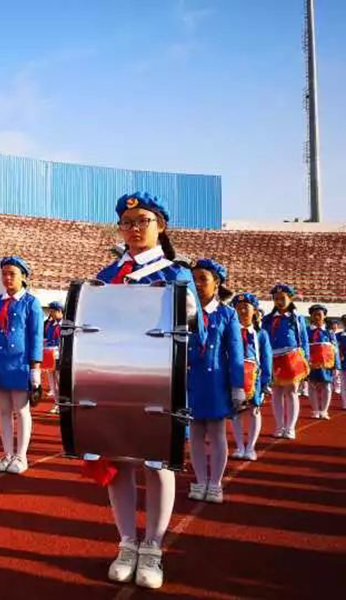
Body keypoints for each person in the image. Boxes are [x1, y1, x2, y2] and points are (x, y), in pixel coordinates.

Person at [95, 192, 205, 590]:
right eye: (128, 223)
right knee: (120, 463)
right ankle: (127, 542)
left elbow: (198, 333)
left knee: (158, 464)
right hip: (114, 377)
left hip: (161, 378)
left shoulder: (176, 272)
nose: (135, 229)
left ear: (160, 226)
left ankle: (153, 547)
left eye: (143, 221)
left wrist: (189, 311)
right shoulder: (107, 275)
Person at [187, 259, 245, 504]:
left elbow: (235, 351)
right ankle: (200, 481)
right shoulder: (185, 311)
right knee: (196, 432)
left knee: (217, 431)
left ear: (217, 283)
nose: (197, 284)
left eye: (203, 279)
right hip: (190, 378)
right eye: (194, 279)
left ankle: (216, 483)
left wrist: (238, 386)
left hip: (216, 380)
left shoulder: (227, 313)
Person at [0, 256, 43, 475]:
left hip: (20, 365)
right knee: (4, 411)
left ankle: (21, 456)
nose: (7, 278)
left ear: (23, 277)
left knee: (22, 410)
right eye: (4, 273)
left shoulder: (31, 303)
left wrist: (35, 368)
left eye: (12, 274)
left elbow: (36, 336)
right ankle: (7, 453)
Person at [262, 284, 309, 440]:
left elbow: (303, 340)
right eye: (276, 299)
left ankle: (290, 427)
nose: (279, 301)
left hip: (291, 357)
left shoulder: (296, 318)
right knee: (276, 393)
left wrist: (306, 361)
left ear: (290, 298)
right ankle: (279, 425)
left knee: (291, 392)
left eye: (283, 298)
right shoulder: (267, 319)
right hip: (273, 357)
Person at [229, 293, 272, 461]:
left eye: (246, 307)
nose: (242, 310)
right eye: (238, 307)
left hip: (254, 377)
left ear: (255, 310)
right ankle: (239, 446)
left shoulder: (261, 334)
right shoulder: (230, 332)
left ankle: (251, 447)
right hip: (235, 374)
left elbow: (266, 358)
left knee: (254, 411)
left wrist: (266, 380)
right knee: (236, 412)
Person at [306, 304, 340, 420]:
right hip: (311, 364)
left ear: (324, 316)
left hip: (326, 364)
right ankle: (315, 410)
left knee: (327, 387)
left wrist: (337, 366)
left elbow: (335, 350)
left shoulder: (329, 333)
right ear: (311, 316)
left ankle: (324, 411)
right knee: (312, 386)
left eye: (319, 315)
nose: (317, 317)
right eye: (314, 315)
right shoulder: (306, 331)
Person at [43, 301, 63, 414]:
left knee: (60, 382)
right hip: (50, 357)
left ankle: (62, 404)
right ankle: (56, 403)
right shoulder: (50, 325)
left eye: (53, 311)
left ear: (59, 311)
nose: (51, 314)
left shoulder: (66, 325)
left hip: (60, 357)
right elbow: (47, 340)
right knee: (52, 383)